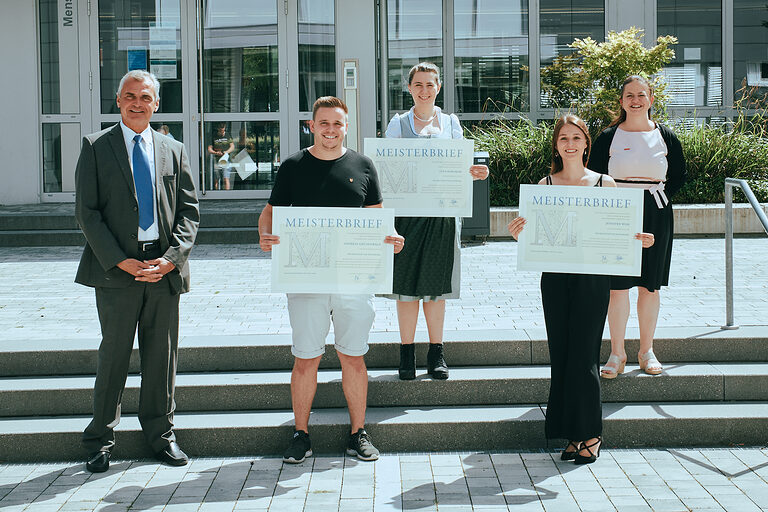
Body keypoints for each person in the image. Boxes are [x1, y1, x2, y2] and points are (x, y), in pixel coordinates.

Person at [258, 96, 404, 464]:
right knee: (306, 358)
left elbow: (378, 219)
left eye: (337, 124)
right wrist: (265, 236)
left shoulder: (362, 165)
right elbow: (270, 213)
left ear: (346, 126)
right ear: (312, 125)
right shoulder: (292, 166)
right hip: (307, 279)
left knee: (352, 357)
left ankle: (358, 433)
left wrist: (393, 238)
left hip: (354, 280)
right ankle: (300, 434)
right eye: (323, 123)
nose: (330, 130)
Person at [508, 115, 654, 464]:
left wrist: (639, 240)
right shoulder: (544, 185)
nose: (570, 144)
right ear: (556, 145)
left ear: (586, 143)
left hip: (592, 278)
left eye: (576, 137)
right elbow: (534, 234)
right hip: (555, 279)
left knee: (584, 356)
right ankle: (571, 434)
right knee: (561, 354)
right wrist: (518, 232)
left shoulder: (605, 184)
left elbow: (619, 232)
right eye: (563, 138)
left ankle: (591, 433)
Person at [75, 70, 200, 473]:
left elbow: (188, 213)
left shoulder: (173, 149)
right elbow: (87, 213)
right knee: (113, 358)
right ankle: (99, 440)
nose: (137, 103)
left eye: (145, 97)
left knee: (161, 360)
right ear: (117, 100)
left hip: (162, 271)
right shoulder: (96, 147)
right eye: (129, 96)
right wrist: (119, 259)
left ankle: (160, 436)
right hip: (116, 272)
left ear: (156, 104)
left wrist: (171, 259)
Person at [384, 62, 489, 381]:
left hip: (442, 215)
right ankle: (406, 354)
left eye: (430, 84)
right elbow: (387, 168)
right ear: (409, 87)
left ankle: (436, 352)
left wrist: (477, 173)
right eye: (418, 84)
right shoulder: (398, 124)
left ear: (438, 87)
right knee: (405, 289)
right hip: (406, 216)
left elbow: (462, 168)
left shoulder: (451, 123)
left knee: (436, 288)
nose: (424, 90)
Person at [588, 75, 687, 378]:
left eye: (641, 94)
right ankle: (617, 352)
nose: (635, 100)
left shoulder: (665, 136)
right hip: (617, 213)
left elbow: (680, 174)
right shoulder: (608, 136)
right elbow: (592, 175)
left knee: (650, 286)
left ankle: (647, 351)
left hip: (656, 213)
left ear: (651, 99)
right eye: (629, 95)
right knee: (617, 288)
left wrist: (660, 200)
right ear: (621, 101)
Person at [208, 122, 235, 190]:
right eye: (220, 130)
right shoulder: (214, 136)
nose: (222, 132)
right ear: (218, 129)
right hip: (216, 160)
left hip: (226, 160)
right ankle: (217, 193)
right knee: (216, 179)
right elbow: (209, 149)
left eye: (223, 130)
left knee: (226, 178)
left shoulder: (227, 135)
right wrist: (216, 152)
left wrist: (226, 152)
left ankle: (227, 194)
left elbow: (232, 147)